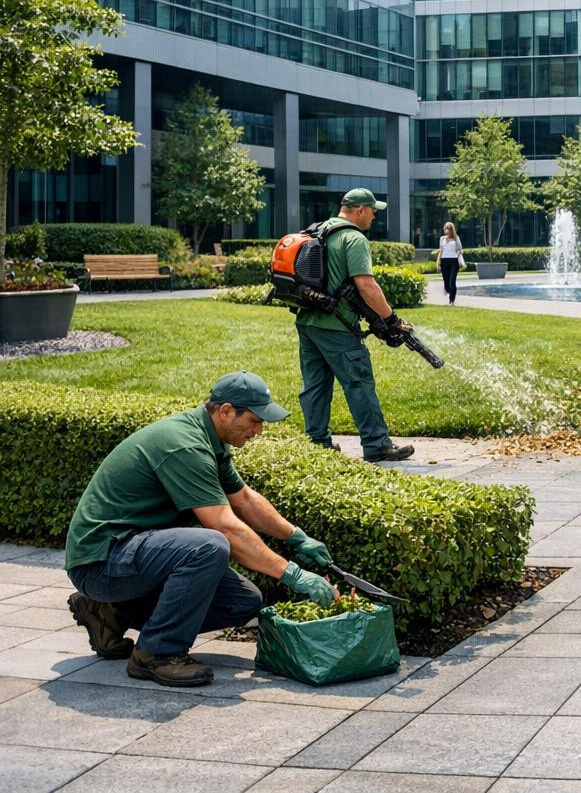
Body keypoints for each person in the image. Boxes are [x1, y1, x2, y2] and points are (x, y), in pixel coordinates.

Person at [64, 372, 338, 687]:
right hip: (101, 560)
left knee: (243, 601)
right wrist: (292, 573)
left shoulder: (209, 440)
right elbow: (226, 527)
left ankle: (112, 613)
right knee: (209, 546)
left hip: (132, 553)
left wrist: (296, 537)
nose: (259, 430)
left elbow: (245, 500)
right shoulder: (185, 446)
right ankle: (157, 654)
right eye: (254, 420)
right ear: (225, 411)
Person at [295, 187, 414, 462]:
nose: (374, 217)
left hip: (308, 321)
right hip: (337, 326)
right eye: (373, 211)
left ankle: (317, 444)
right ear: (360, 210)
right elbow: (366, 285)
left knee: (315, 385)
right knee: (359, 381)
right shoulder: (353, 238)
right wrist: (391, 319)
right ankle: (377, 444)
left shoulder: (318, 230)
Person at [436, 221, 464, 305]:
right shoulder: (442, 239)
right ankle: (447, 289)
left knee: (452, 281)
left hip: (453, 261)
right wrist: (438, 262)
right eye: (445, 228)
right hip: (444, 261)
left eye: (448, 228)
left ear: (452, 230)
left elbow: (460, 249)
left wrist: (459, 259)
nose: (447, 230)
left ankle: (451, 300)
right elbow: (441, 251)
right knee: (446, 282)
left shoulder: (456, 238)